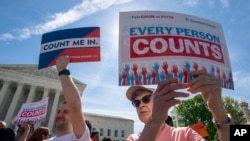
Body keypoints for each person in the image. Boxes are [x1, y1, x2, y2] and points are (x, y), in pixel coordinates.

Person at [125, 70, 231, 141]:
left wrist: (217, 110)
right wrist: (154, 122)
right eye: (136, 102)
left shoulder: (185, 134)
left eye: (146, 99)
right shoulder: (133, 139)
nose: (141, 105)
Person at [44, 56, 90, 141]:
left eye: (66, 112)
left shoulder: (79, 138)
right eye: (59, 111)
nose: (60, 114)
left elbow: (75, 106)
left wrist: (63, 70)